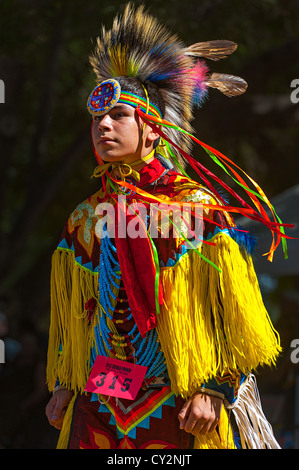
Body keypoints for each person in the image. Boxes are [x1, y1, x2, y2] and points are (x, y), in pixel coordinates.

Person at [46, 4, 287, 449]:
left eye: (119, 115)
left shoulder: (194, 207)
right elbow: (77, 317)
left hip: (179, 401)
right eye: (97, 118)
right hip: (101, 400)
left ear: (153, 128)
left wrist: (215, 390)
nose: (103, 126)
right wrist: (65, 382)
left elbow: (236, 320)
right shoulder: (85, 217)